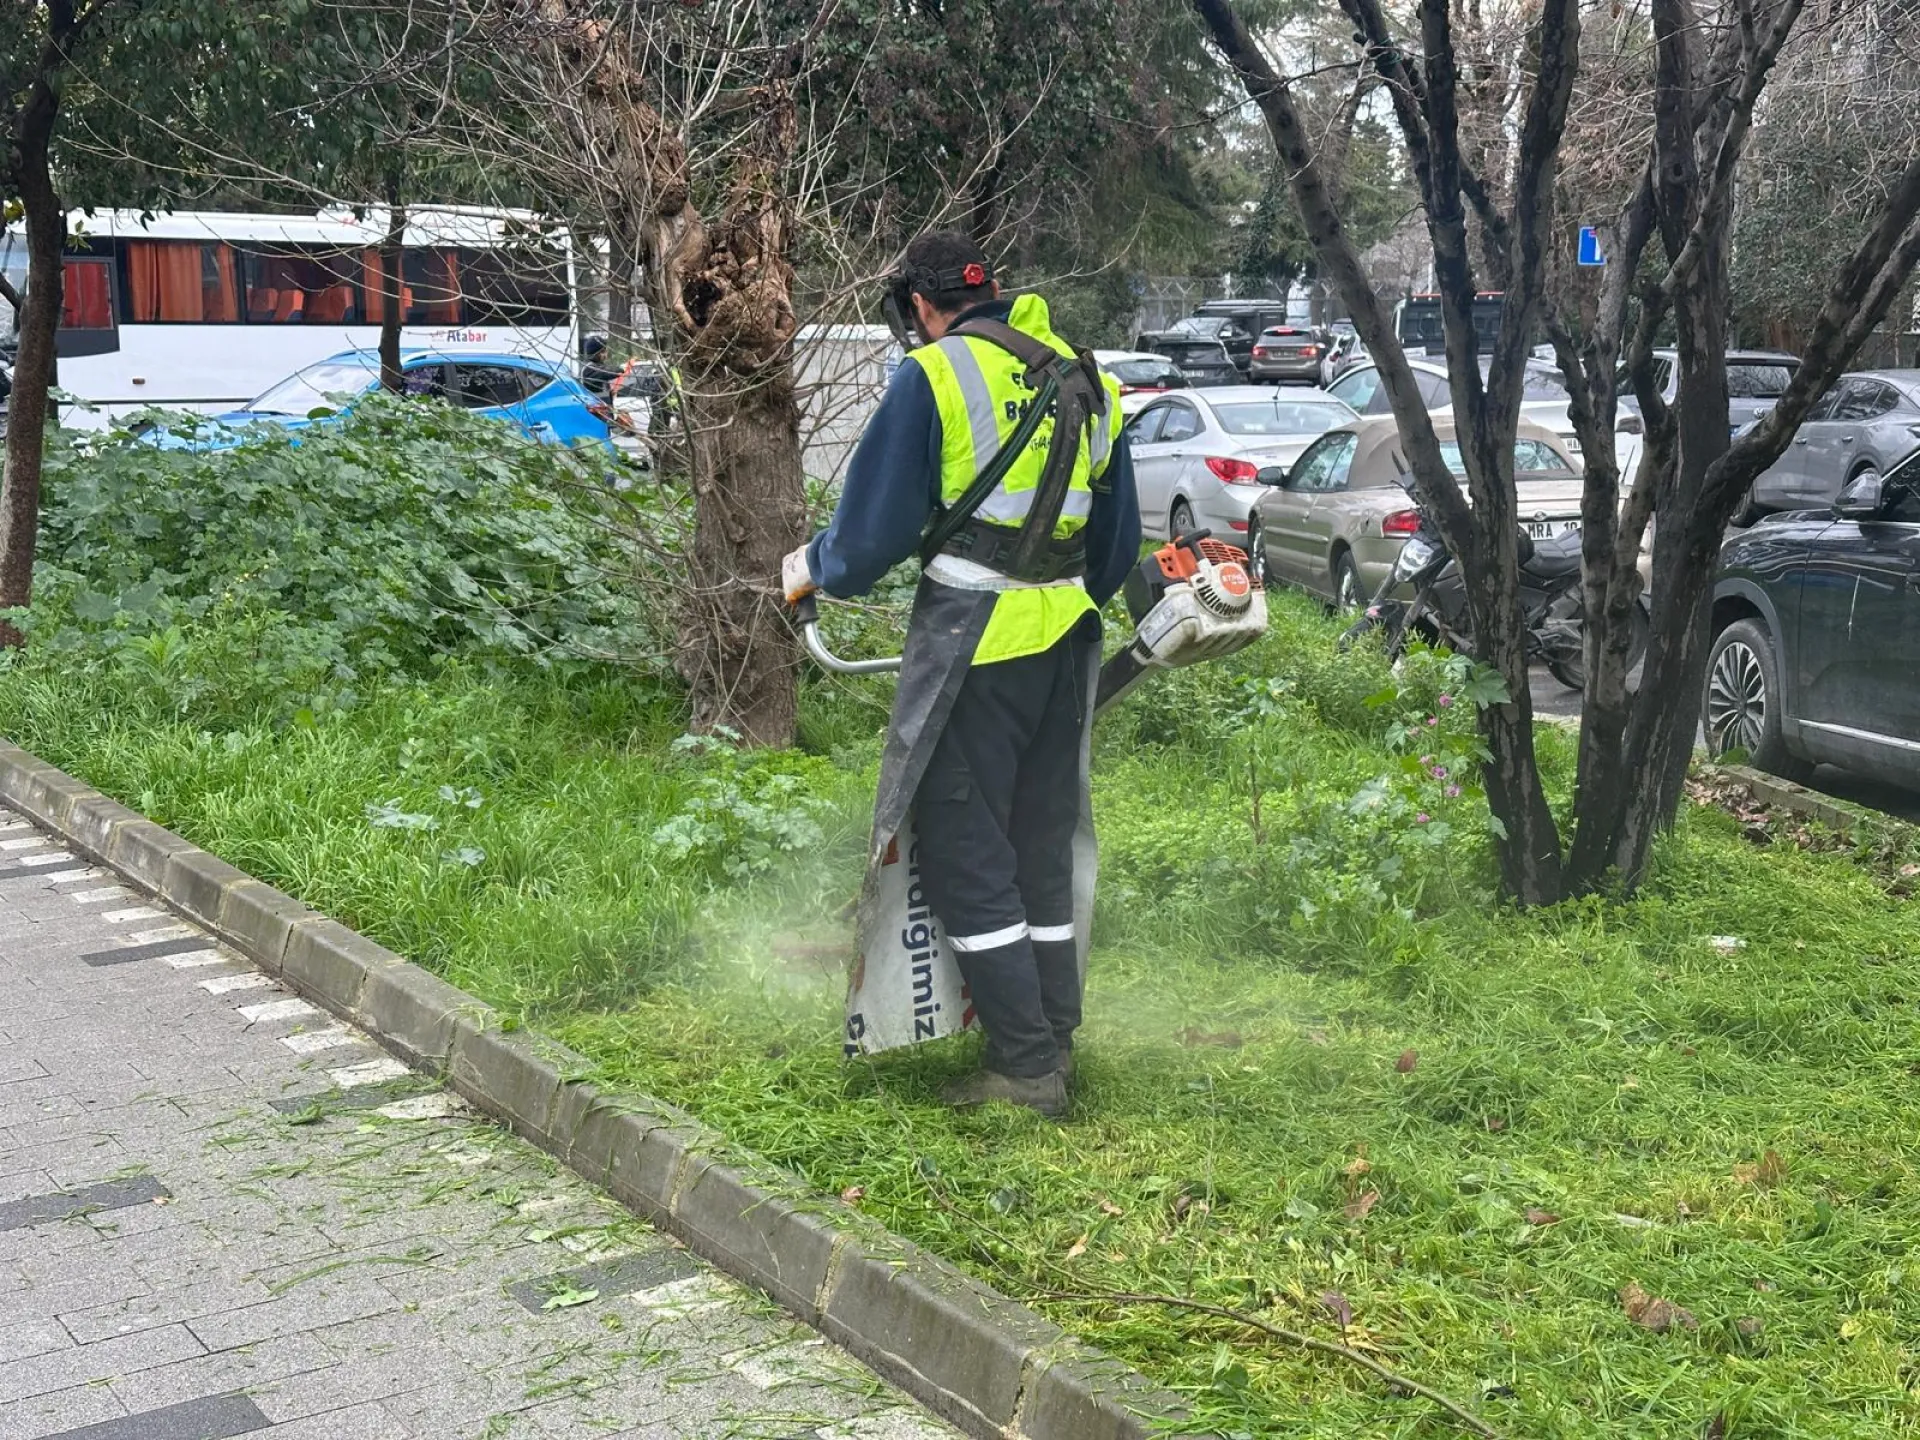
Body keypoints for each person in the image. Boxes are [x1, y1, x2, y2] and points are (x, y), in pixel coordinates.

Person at [783, 230, 1141, 1117]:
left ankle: (1024, 1069)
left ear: (921, 308)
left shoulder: (935, 375)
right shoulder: (1086, 375)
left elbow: (868, 542)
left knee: (964, 854)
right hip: (1067, 645)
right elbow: (1116, 543)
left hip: (974, 649)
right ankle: (1055, 1034)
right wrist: (1055, 597)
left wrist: (811, 569)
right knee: (1039, 847)